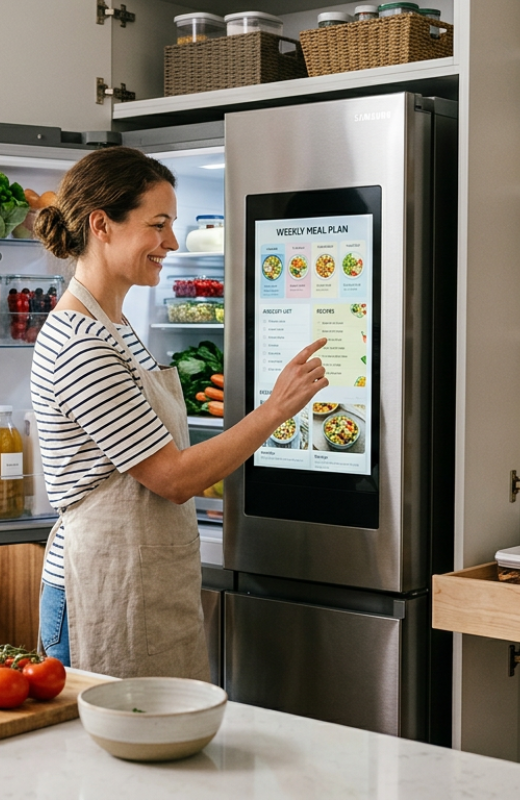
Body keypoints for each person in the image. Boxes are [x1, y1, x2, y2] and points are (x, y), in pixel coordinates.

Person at [30, 147, 327, 681]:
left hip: (136, 580)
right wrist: (276, 409)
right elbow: (172, 477)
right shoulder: (82, 342)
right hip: (100, 590)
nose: (170, 242)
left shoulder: (115, 328)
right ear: (102, 224)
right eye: (158, 225)